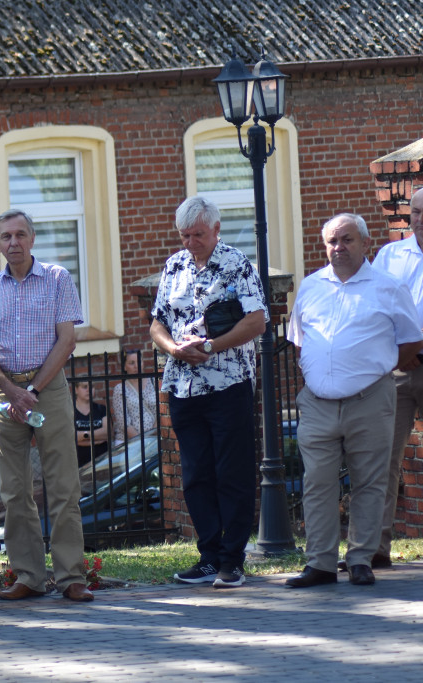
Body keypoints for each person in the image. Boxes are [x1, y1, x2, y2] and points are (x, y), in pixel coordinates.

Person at [286, 213, 423, 588]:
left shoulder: (388, 287)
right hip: (317, 402)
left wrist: (375, 367)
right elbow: (299, 339)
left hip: (369, 398)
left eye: (346, 240)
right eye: (331, 241)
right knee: (317, 482)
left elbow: (412, 338)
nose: (338, 248)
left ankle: (361, 558)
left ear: (365, 244)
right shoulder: (311, 287)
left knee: (370, 481)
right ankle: (321, 563)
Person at [0, 209, 94, 604]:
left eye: (20, 235)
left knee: (63, 486)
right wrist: (11, 390)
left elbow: (67, 340)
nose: (14, 243)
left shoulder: (58, 278)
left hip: (50, 390)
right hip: (5, 395)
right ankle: (28, 575)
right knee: (14, 491)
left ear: (33, 238)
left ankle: (71, 576)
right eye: (6, 237)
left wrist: (34, 391)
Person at [149, 196, 267, 589]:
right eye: (184, 235)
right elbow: (156, 325)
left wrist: (212, 347)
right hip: (182, 385)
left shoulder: (236, 265)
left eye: (198, 234)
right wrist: (173, 349)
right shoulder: (174, 266)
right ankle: (208, 556)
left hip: (228, 382)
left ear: (216, 230)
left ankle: (232, 559)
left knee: (231, 472)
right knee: (195, 474)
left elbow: (257, 321)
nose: (190, 242)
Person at [369, 187, 423, 571]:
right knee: (383, 457)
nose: (421, 219)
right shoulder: (390, 256)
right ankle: (373, 548)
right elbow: (372, 306)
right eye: (416, 212)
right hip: (402, 368)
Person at [109, 349, 157, 447]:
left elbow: (161, 412)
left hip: (154, 439)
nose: (136, 366)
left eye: (139, 362)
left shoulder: (154, 382)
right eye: (132, 363)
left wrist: (152, 436)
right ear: (124, 366)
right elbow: (123, 423)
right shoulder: (120, 389)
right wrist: (142, 441)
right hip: (130, 443)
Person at [73, 381, 108, 468]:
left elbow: (107, 433)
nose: (89, 390)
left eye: (91, 387)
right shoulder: (70, 411)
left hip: (102, 460)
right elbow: (70, 437)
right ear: (76, 390)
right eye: (84, 387)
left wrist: (83, 436)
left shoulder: (101, 409)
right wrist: (96, 438)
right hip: (77, 461)